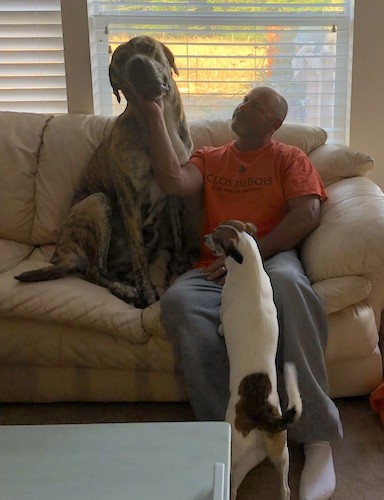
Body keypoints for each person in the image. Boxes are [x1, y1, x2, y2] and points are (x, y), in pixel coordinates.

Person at [139, 86, 343, 500]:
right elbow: (175, 180)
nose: (243, 107)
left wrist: (252, 256)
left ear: (274, 124)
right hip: (215, 267)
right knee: (179, 302)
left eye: (256, 106)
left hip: (271, 258)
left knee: (290, 286)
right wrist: (155, 115)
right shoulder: (212, 157)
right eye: (244, 100)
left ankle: (317, 437)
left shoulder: (289, 158)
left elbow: (307, 212)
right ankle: (238, 433)